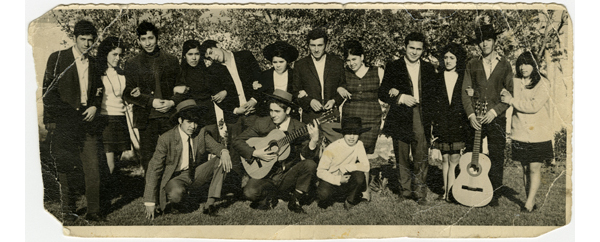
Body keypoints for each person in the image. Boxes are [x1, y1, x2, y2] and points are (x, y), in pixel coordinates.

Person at [42, 20, 105, 221]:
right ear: (74, 38)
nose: (87, 44)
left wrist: (95, 105)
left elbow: (98, 90)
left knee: (93, 167)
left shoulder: (95, 63)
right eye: (83, 39)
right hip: (65, 122)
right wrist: (67, 114)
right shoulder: (58, 58)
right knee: (66, 169)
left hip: (89, 121)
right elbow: (48, 93)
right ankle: (67, 213)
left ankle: (94, 212)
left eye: (90, 41)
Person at [232, 90, 320, 213]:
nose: (273, 115)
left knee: (310, 164)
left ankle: (295, 199)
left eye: (277, 111)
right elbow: (237, 141)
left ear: (288, 111)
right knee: (249, 192)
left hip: (287, 175)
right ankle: (271, 195)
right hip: (265, 174)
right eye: (271, 111)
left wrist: (314, 141)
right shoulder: (263, 123)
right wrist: (255, 153)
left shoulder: (299, 127)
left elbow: (306, 157)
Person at [143, 99, 232, 218]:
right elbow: (154, 169)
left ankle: (209, 204)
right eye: (189, 122)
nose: (193, 126)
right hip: (175, 177)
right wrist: (150, 201)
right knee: (176, 194)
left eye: (195, 122)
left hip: (194, 173)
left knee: (222, 159)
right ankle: (177, 202)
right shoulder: (166, 139)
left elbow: (216, 146)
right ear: (180, 120)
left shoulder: (200, 133)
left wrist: (224, 151)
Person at [378, 32, 436, 205]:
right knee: (402, 155)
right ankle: (405, 192)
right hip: (401, 116)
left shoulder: (428, 68)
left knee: (421, 154)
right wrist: (400, 97)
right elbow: (382, 92)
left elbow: (434, 95)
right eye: (411, 48)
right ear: (405, 47)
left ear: (423, 50)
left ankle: (420, 193)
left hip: (421, 115)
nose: (414, 52)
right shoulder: (393, 66)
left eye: (419, 49)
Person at [461, 24, 514, 206]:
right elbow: (464, 91)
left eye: (488, 40)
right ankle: (469, 187)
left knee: (497, 155)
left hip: (496, 118)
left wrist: (494, 112)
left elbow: (509, 95)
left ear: (494, 41)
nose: (484, 44)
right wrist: (470, 115)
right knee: (471, 153)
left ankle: (494, 194)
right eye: (481, 40)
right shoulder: (472, 64)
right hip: (475, 119)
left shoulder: (505, 65)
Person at [123, 21, 180, 173]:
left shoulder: (172, 60)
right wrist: (150, 101)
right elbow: (127, 93)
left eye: (151, 38)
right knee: (149, 159)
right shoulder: (132, 63)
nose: (148, 43)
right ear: (138, 41)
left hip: (169, 116)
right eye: (143, 39)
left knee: (173, 156)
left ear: (157, 38)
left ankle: (170, 192)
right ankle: (151, 195)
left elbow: (182, 88)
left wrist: (171, 102)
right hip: (146, 118)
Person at [500, 51, 552, 212]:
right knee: (524, 168)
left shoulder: (543, 83)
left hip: (538, 135)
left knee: (534, 168)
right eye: (520, 64)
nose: (523, 67)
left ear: (535, 65)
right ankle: (531, 200)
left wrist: (512, 100)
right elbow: (503, 91)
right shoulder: (514, 81)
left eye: (527, 63)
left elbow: (534, 107)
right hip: (519, 133)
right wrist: (505, 95)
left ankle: (529, 203)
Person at [429, 43, 470, 202]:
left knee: (455, 159)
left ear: (458, 59)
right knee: (445, 158)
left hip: (458, 123)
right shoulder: (437, 77)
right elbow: (433, 102)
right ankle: (445, 191)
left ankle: (452, 192)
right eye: (445, 57)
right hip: (442, 123)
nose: (448, 61)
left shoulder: (463, 76)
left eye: (452, 58)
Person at [292, 28, 346, 143]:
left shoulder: (337, 63)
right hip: (310, 116)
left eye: (320, 45)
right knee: (312, 151)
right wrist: (309, 101)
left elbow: (343, 87)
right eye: (313, 45)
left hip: (332, 114)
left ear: (326, 45)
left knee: (334, 149)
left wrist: (334, 101)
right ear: (308, 45)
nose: (316, 49)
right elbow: (295, 91)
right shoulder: (300, 65)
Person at [337, 40, 383, 154]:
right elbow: (335, 87)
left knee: (364, 151)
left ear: (362, 57)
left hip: (371, 118)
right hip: (350, 118)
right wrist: (339, 88)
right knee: (349, 152)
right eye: (348, 60)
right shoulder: (343, 73)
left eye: (354, 59)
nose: (351, 63)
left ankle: (363, 172)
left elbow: (386, 91)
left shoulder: (378, 71)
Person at [316, 117, 370, 210]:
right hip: (331, 180)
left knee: (359, 175)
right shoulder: (332, 148)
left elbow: (366, 166)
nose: (352, 137)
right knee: (323, 195)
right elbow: (320, 171)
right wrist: (338, 179)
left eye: (355, 133)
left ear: (359, 134)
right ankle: (330, 198)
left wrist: (346, 167)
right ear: (343, 134)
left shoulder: (359, 144)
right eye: (348, 133)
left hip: (346, 179)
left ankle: (349, 201)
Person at [95, 36, 131, 175]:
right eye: (114, 54)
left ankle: (108, 189)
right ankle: (104, 193)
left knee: (116, 161)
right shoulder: (98, 73)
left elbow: (125, 94)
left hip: (120, 119)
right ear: (105, 53)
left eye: (120, 55)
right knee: (108, 163)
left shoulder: (122, 74)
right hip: (105, 119)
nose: (118, 58)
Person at [173, 40, 216, 126]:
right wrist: (175, 89)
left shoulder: (207, 72)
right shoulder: (179, 73)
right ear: (184, 55)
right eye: (190, 54)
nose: (194, 58)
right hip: (190, 117)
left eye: (197, 54)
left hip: (209, 116)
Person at [255, 41, 299, 118]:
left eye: (281, 62)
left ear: (287, 62)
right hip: (269, 115)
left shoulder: (294, 75)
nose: (278, 65)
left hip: (290, 115)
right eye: (275, 62)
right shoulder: (265, 76)